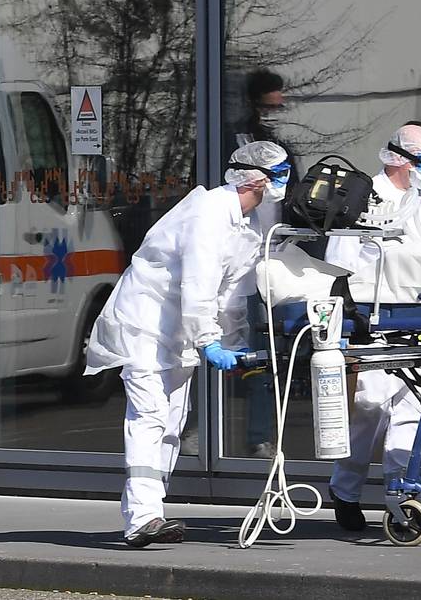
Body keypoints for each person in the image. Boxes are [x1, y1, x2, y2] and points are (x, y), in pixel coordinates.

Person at [84, 141, 291, 548]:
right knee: (150, 416)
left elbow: (231, 292)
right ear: (257, 180)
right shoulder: (209, 214)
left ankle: (150, 511)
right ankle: (141, 517)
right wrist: (209, 340)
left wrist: (236, 344)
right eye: (279, 175)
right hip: (147, 325)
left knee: (173, 420)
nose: (284, 183)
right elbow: (197, 284)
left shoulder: (247, 222)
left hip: (178, 335)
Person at [324, 124, 421, 531]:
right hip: (373, 322)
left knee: (413, 412)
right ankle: (345, 491)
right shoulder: (363, 198)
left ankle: (403, 491)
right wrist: (344, 324)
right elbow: (339, 263)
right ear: (402, 160)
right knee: (369, 412)